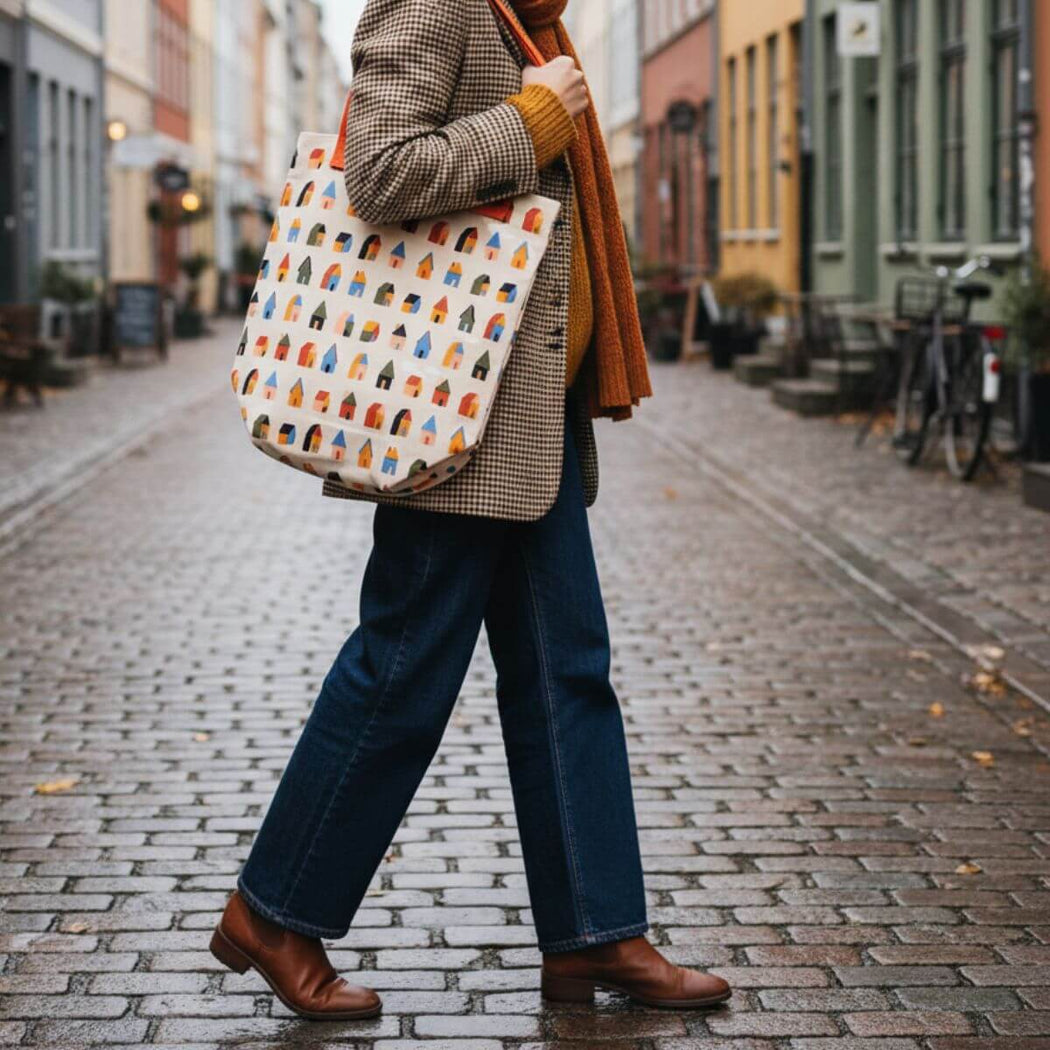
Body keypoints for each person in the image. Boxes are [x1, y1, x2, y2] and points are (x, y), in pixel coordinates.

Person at [210, 0, 731, 1020]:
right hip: (450, 414)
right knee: (403, 666)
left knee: (566, 674)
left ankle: (594, 932)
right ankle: (272, 912)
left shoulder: (527, 20)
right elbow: (380, 173)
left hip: (527, 414)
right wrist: (531, 120)